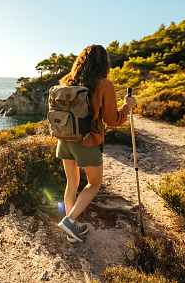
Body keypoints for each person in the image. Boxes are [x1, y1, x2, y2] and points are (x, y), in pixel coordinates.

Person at [56, 44, 136, 242]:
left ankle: (72, 229)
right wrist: (127, 106)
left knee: (72, 183)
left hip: (65, 138)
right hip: (86, 141)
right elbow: (113, 120)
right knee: (94, 183)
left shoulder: (67, 81)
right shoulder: (104, 85)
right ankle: (70, 221)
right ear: (104, 63)